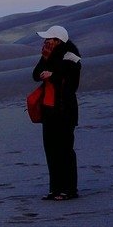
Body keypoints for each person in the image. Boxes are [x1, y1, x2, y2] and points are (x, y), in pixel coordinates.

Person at [32, 25, 81, 201]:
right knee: (51, 150)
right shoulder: (47, 56)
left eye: (49, 39)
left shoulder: (72, 57)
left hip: (65, 111)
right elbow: (36, 75)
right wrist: (45, 60)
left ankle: (70, 190)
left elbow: (71, 83)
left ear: (58, 40)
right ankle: (55, 189)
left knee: (65, 151)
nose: (46, 42)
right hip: (49, 111)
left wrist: (51, 74)